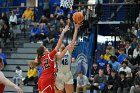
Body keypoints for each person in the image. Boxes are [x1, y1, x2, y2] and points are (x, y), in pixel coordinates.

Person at [35, 25, 69, 93]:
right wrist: (63, 32)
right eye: (46, 48)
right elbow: (59, 44)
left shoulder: (40, 58)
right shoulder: (50, 55)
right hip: (47, 80)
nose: (47, 49)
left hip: (42, 79)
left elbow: (36, 60)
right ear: (44, 52)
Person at [55, 24, 80, 93]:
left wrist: (76, 28)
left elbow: (73, 40)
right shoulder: (56, 54)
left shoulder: (68, 51)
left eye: (63, 43)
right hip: (59, 75)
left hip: (67, 74)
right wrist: (63, 32)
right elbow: (59, 42)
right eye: (61, 43)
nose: (62, 43)